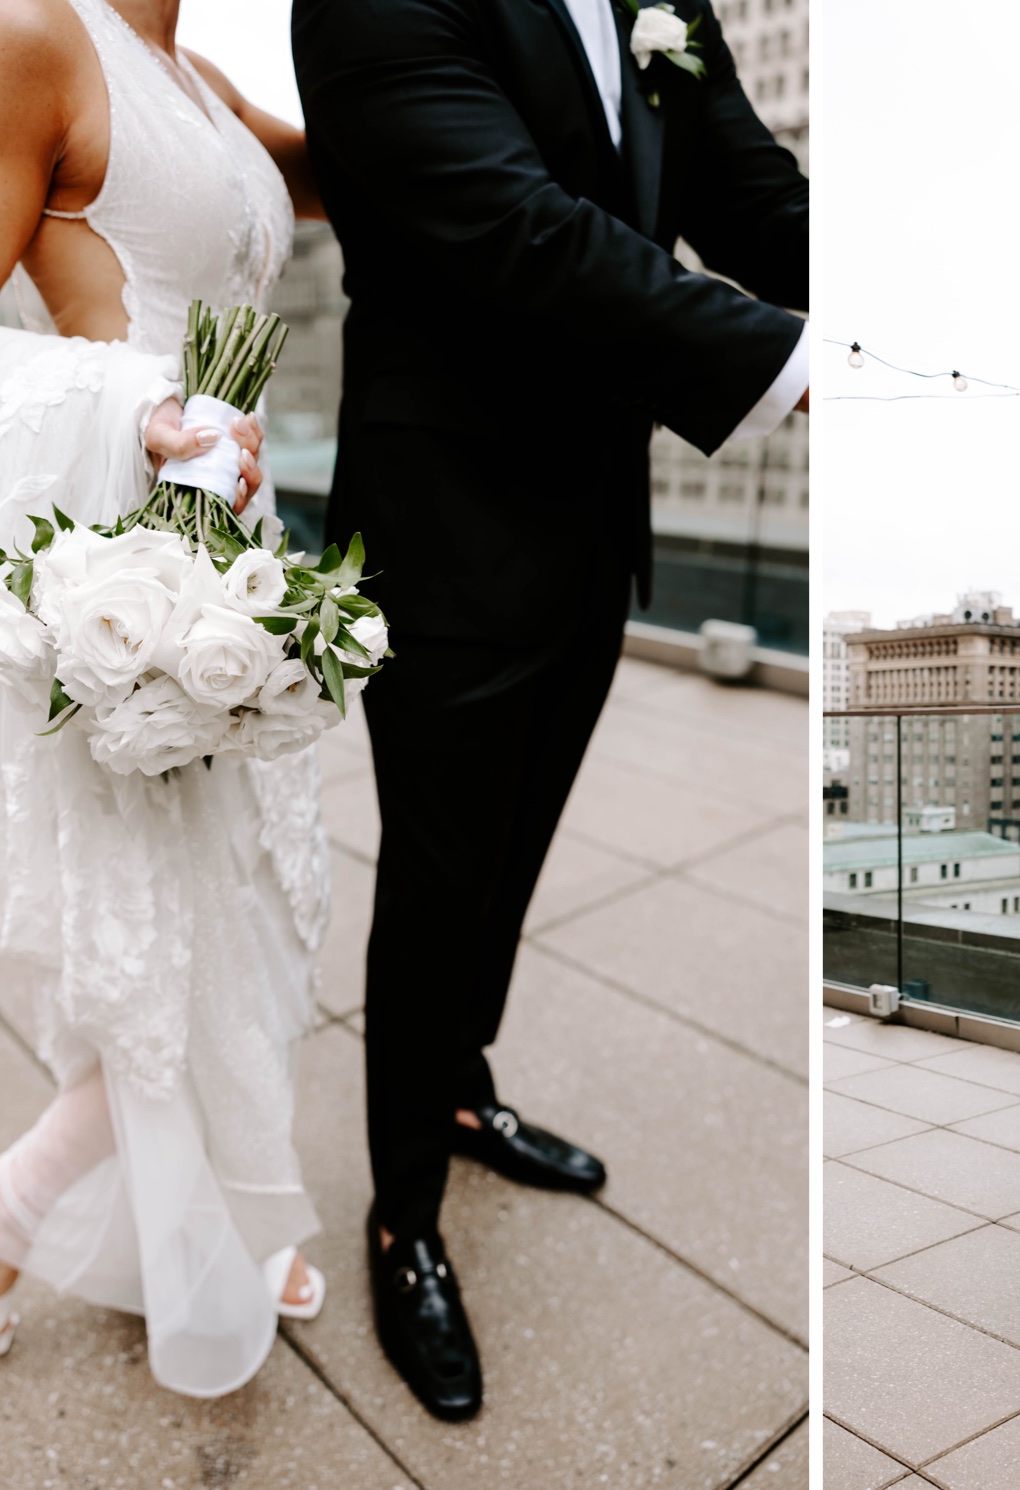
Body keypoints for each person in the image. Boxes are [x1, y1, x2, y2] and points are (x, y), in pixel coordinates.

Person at [291, 0, 809, 1420]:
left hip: (598, 516)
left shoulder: (664, 4)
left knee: (512, 853)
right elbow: (516, 228)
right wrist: (784, 359)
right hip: (448, 520)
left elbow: (753, 191)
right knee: (441, 871)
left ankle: (462, 1087)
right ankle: (403, 1216)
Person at [0, 0, 331, 1397]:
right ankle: (5, 1208)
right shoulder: (25, 34)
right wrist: (130, 408)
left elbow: (332, 166)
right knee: (177, 936)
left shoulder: (194, 77)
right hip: (121, 558)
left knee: (244, 909)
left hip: (233, 551)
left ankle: (177, 1215)